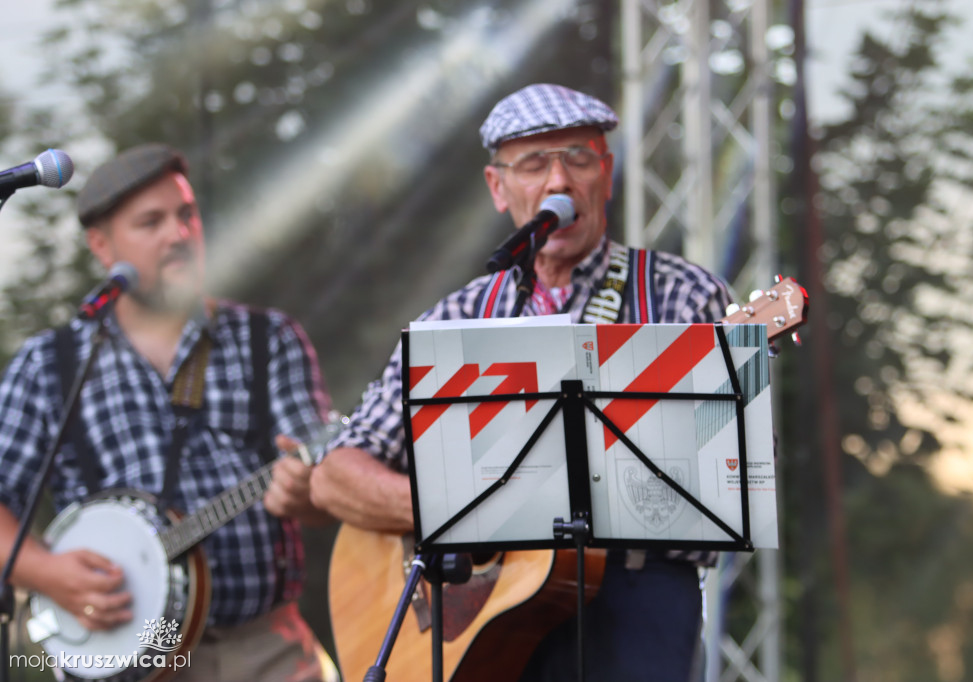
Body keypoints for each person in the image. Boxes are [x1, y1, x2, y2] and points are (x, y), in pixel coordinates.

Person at [310, 83, 734, 681]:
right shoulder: (457, 319)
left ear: (606, 174)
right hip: (486, 616)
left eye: (578, 158)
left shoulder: (679, 295)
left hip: (635, 601)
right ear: (497, 186)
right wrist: (468, 511)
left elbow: (735, 469)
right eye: (534, 163)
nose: (558, 182)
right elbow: (333, 476)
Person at [0, 143, 338, 681]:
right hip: (129, 658)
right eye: (150, 222)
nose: (178, 234)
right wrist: (49, 572)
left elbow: (326, 486)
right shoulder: (50, 365)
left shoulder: (266, 338)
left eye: (186, 214)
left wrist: (310, 489)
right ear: (102, 245)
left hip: (267, 651)